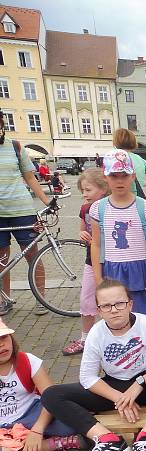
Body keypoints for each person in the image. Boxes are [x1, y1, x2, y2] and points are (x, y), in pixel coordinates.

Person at [40, 279, 146, 451]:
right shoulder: (96, 333)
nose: (114, 310)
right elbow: (87, 378)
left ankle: (144, 438)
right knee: (52, 395)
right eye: (106, 306)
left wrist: (139, 384)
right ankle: (108, 441)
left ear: (130, 304)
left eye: (120, 303)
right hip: (116, 388)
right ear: (99, 310)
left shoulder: (143, 323)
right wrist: (120, 398)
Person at [0, 318, 84, 451]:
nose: (1, 344)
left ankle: (23, 443)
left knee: (72, 423)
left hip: (30, 413)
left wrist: (37, 430)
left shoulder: (27, 361)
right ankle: (53, 444)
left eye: (4, 337)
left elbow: (52, 397)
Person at [89, 150, 146, 316]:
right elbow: (96, 244)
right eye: (114, 176)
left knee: (143, 320)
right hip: (112, 270)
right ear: (105, 177)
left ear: (132, 176)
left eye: (124, 175)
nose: (119, 181)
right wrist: (98, 278)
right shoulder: (98, 209)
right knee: (116, 316)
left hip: (141, 270)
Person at [0, 111, 50, 316]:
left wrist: (48, 201)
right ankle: (5, 300)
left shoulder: (15, 146)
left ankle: (41, 299)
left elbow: (30, 178)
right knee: (2, 259)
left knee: (32, 255)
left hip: (22, 209)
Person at [62, 168, 110, 355]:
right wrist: (82, 234)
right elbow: (82, 230)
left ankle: (114, 335)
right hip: (91, 260)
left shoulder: (110, 207)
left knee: (114, 299)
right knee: (87, 299)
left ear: (103, 189)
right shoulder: (85, 209)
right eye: (83, 190)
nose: (84, 194)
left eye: (88, 190)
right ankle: (85, 338)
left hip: (112, 261)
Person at [112, 129, 146, 198]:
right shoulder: (138, 158)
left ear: (115, 141)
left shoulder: (112, 158)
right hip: (137, 200)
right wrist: (141, 183)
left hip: (118, 200)